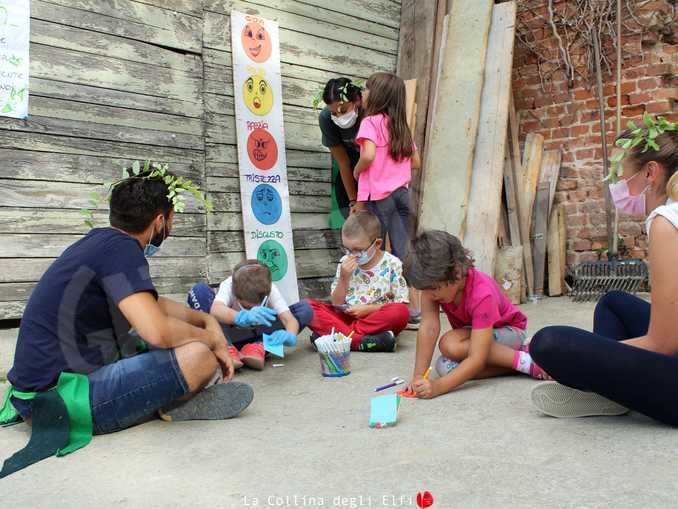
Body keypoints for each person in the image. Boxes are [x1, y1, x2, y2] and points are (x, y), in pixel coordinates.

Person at [2, 168, 253, 441]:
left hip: (40, 395)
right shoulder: (122, 250)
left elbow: (152, 305)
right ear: (159, 221)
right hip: (58, 402)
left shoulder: (103, 243)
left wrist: (206, 320)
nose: (172, 226)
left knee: (161, 336)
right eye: (172, 219)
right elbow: (157, 331)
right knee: (199, 356)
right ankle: (171, 401)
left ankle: (165, 388)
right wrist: (211, 340)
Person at [529, 121, 678, 424]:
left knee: (548, 343)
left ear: (650, 172)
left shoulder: (665, 222)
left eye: (620, 174)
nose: (617, 184)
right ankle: (612, 390)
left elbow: (664, 343)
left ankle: (607, 388)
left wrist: (587, 360)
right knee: (613, 302)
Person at [402, 230, 548, 399]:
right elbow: (429, 327)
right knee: (444, 367)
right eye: (425, 289)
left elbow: (477, 359)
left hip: (510, 332)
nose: (429, 295)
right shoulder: (432, 288)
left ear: (456, 273)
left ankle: (528, 363)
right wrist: (418, 377)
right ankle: (514, 364)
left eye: (433, 288)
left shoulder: (481, 294)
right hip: (476, 337)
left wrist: (437, 388)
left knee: (450, 344)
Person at [307, 211, 409, 352]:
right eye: (347, 249)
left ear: (377, 244)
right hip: (346, 318)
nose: (351, 255)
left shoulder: (393, 264)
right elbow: (336, 303)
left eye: (358, 250)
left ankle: (337, 337)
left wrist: (368, 310)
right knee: (307, 307)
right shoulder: (344, 262)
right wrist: (344, 278)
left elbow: (401, 303)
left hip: (376, 321)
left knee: (400, 312)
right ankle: (364, 341)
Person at [187, 261, 313, 370]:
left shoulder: (270, 289)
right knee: (199, 291)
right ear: (235, 293)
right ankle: (224, 348)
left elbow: (288, 319)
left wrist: (290, 334)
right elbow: (216, 309)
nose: (252, 309)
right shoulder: (229, 285)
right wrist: (241, 316)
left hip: (260, 334)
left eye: (256, 306)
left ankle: (257, 348)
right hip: (228, 334)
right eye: (247, 306)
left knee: (305, 309)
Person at [353, 71, 421, 262]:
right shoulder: (400, 126)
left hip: (379, 198)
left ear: (378, 96)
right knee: (402, 248)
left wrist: (356, 170)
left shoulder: (370, 122)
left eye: (367, 89)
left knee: (375, 250)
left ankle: (379, 289)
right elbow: (416, 162)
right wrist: (395, 169)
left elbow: (368, 155)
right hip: (401, 195)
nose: (364, 93)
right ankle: (402, 286)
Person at [318, 77, 363, 228]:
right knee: (346, 205)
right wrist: (353, 201)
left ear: (356, 100)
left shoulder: (369, 111)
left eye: (343, 110)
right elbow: (343, 163)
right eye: (333, 113)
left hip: (374, 162)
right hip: (350, 162)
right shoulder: (326, 118)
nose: (338, 117)